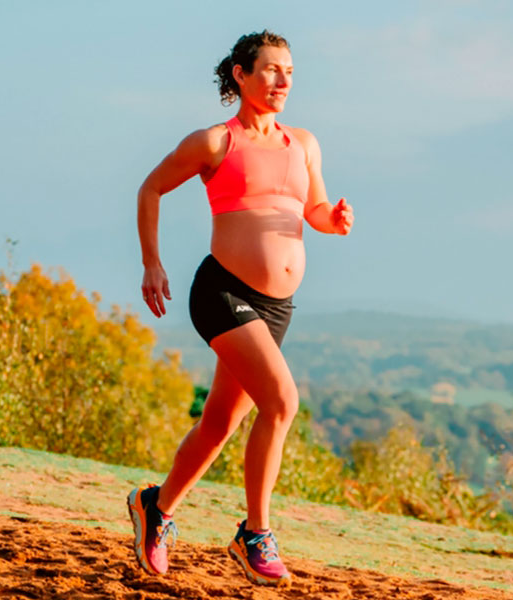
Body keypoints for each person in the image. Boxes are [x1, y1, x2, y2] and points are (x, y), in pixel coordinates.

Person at [127, 30, 354, 587]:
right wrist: (152, 264)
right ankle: (255, 534)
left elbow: (315, 208)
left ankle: (156, 507)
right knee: (281, 403)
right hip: (223, 292)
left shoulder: (303, 143)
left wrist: (334, 219)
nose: (283, 82)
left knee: (220, 423)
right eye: (272, 70)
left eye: (291, 72)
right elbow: (151, 188)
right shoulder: (215, 143)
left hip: (276, 307)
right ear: (241, 75)